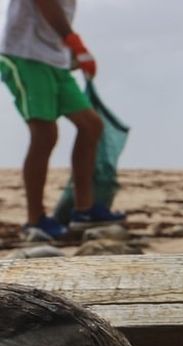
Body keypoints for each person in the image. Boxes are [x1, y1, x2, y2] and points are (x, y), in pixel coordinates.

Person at [1, 0, 124, 241]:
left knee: (91, 125)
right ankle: (35, 221)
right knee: (45, 133)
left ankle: (84, 211)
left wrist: (68, 52)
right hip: (23, 52)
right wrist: (74, 42)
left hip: (54, 57)